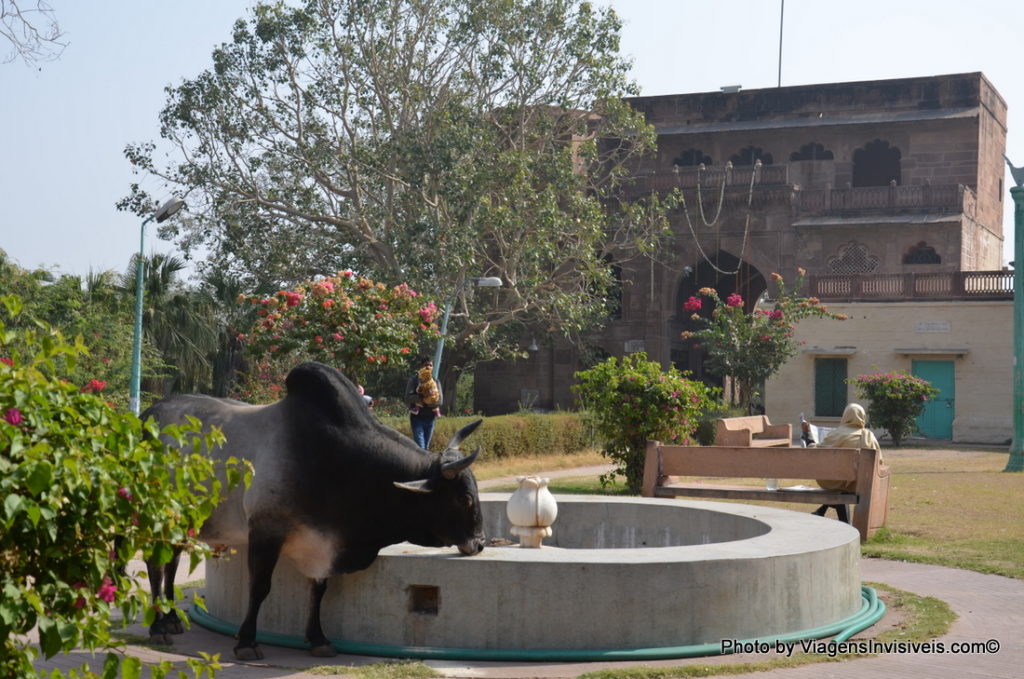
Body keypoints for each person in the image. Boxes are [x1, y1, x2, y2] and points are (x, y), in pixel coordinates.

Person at [801, 403, 882, 523]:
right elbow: (879, 460)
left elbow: (817, 452)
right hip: (861, 483)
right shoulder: (869, 436)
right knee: (843, 484)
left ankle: (828, 514)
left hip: (834, 481)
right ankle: (826, 513)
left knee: (838, 483)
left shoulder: (836, 434)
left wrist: (809, 439)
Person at [406, 356, 442, 449]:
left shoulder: (435, 381)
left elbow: (440, 401)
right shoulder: (413, 380)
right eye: (426, 365)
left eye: (431, 365)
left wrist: (429, 400)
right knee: (421, 447)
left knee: (426, 447)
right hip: (417, 418)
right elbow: (407, 398)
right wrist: (421, 396)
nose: (428, 367)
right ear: (421, 366)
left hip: (430, 418)